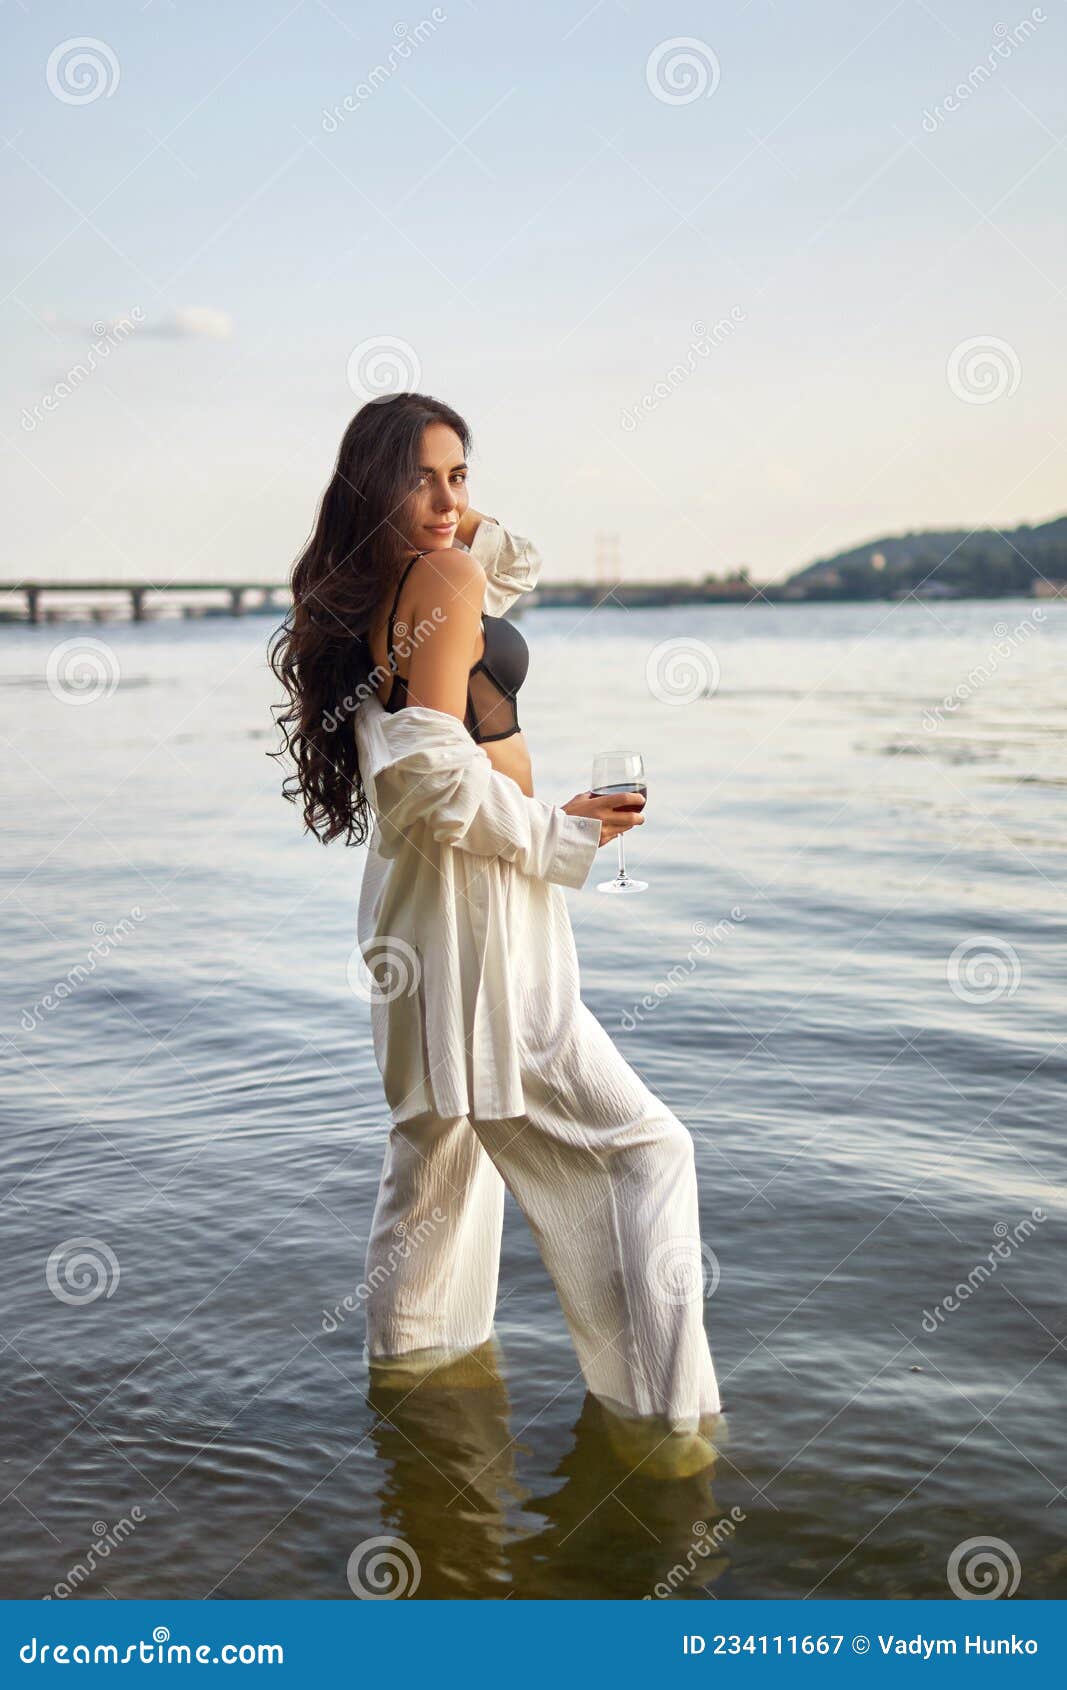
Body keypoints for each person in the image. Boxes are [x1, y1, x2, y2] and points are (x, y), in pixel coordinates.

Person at [270, 393, 723, 1475]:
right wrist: (561, 836)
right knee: (646, 1149)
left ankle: (417, 1403)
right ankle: (665, 1432)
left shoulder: (391, 581)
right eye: (420, 477)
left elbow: (502, 575)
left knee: (439, 1163)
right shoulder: (439, 577)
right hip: (471, 914)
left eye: (460, 475)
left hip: (422, 909)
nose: (448, 501)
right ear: (370, 484)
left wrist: (442, 518)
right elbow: (429, 777)